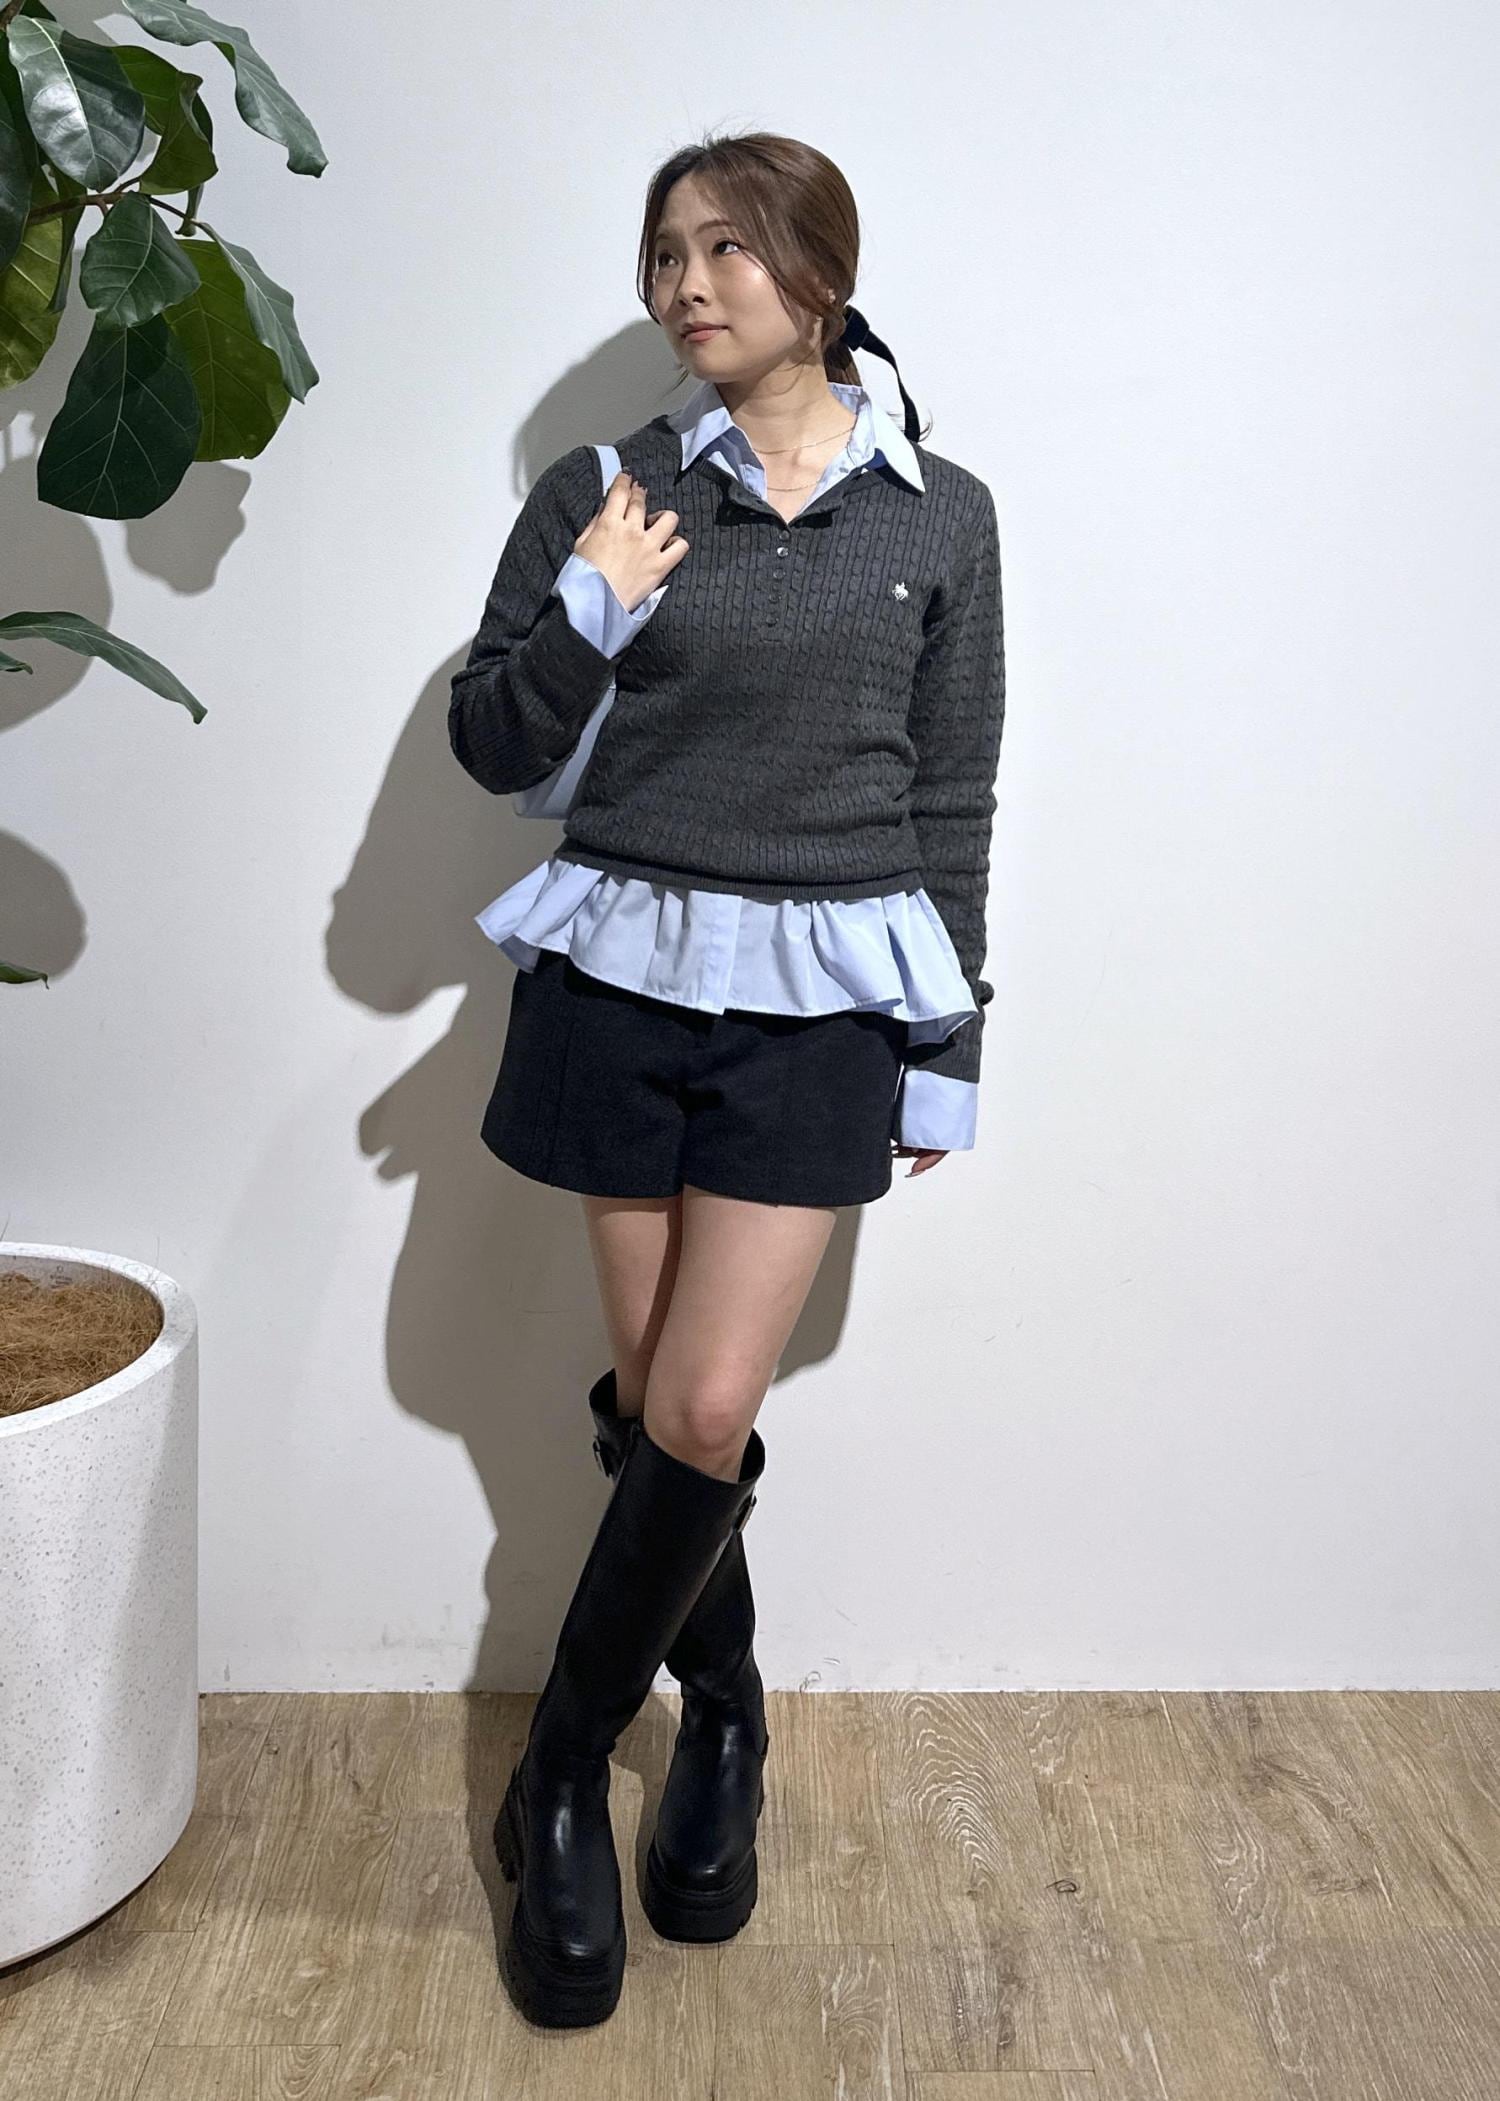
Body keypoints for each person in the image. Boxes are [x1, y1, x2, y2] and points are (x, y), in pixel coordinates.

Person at [449, 129, 1006, 2029]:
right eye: (664, 254)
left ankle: (555, 1770)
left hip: (821, 1004)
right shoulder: (605, 491)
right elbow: (491, 739)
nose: (686, 285)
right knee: (655, 1407)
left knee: (699, 1401)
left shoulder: (943, 516)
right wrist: (590, 604)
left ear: (821, 276)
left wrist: (948, 1042)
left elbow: (952, 793)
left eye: (727, 250)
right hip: (621, 979)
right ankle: (731, 1716)